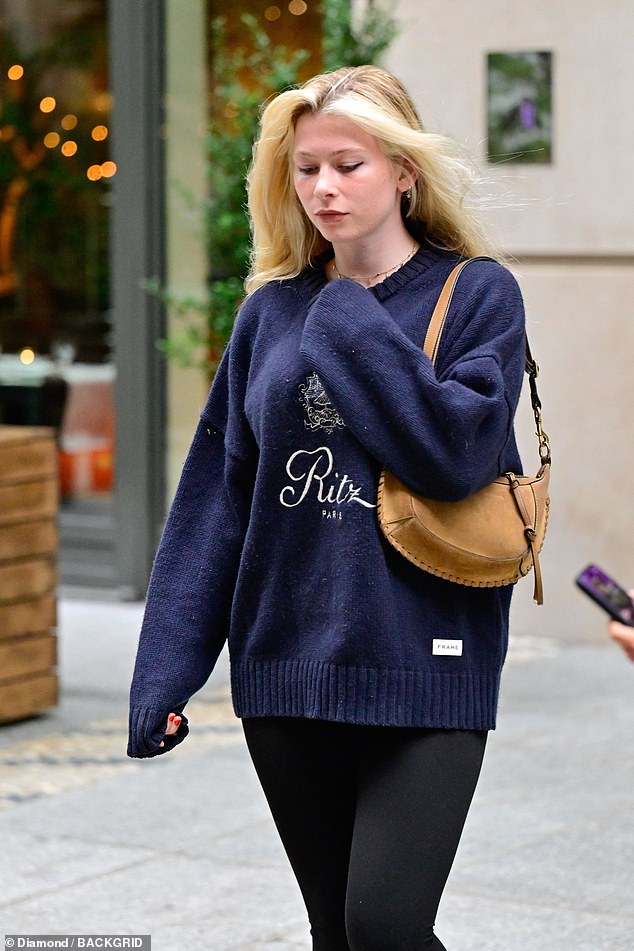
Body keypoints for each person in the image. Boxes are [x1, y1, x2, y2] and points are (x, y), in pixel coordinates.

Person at [128, 65, 527, 951]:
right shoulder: (270, 312)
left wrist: (345, 311)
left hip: (427, 663)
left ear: (405, 171)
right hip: (288, 669)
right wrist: (165, 669)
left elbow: (457, 452)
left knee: (384, 924)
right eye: (306, 169)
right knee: (334, 932)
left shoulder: (478, 295)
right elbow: (217, 499)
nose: (323, 189)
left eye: (348, 165)